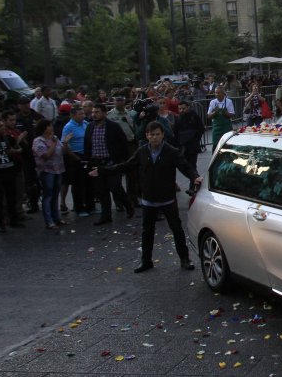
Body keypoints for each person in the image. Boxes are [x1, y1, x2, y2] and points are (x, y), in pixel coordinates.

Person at [89, 121, 203, 273]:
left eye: (157, 134)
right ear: (147, 136)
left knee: (176, 229)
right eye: (151, 135)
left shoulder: (171, 151)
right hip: (149, 198)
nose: (154, 138)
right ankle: (146, 261)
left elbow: (185, 166)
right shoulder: (142, 151)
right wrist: (103, 171)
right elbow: (126, 165)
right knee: (147, 231)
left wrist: (194, 177)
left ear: (162, 135)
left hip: (167, 198)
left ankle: (184, 259)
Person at [85, 103, 133, 225]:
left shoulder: (113, 127)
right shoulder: (90, 127)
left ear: (104, 113)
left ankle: (128, 205)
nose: (94, 115)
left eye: (97, 112)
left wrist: (124, 161)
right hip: (97, 163)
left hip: (112, 163)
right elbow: (87, 145)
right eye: (93, 112)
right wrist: (88, 161)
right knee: (101, 191)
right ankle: (105, 216)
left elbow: (123, 143)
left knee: (115, 187)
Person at [32, 119, 69, 229]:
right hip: (47, 171)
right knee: (48, 195)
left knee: (55, 195)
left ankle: (56, 218)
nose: (51, 128)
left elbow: (63, 151)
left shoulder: (55, 138)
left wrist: (65, 143)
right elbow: (45, 155)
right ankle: (49, 221)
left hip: (58, 169)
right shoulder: (38, 141)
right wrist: (53, 143)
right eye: (49, 126)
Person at [61, 106, 93, 217]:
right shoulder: (68, 127)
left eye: (83, 114)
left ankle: (90, 206)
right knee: (77, 184)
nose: (82, 116)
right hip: (75, 156)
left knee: (89, 182)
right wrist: (76, 158)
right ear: (73, 115)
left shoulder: (85, 124)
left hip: (87, 154)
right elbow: (64, 146)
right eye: (80, 114)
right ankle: (79, 208)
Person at [0, 117, 24, 233]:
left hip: (9, 169)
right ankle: (0, 222)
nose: (3, 128)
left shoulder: (6, 138)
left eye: (3, 126)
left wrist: (17, 147)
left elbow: (13, 149)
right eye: (0, 126)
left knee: (12, 195)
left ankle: (13, 219)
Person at [174, 100, 203, 172]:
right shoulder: (178, 118)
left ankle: (194, 180)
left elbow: (201, 129)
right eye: (180, 109)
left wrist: (196, 139)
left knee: (192, 164)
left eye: (183, 108)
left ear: (188, 107)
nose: (181, 110)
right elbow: (176, 132)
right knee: (186, 165)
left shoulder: (194, 117)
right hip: (183, 146)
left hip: (193, 145)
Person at [207, 86, 235, 151]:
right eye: (215, 93)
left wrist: (225, 112)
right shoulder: (212, 102)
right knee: (215, 146)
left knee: (227, 145)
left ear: (223, 93)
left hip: (226, 127)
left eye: (218, 93)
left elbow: (232, 114)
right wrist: (215, 112)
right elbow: (208, 116)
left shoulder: (228, 101)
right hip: (216, 128)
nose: (217, 94)